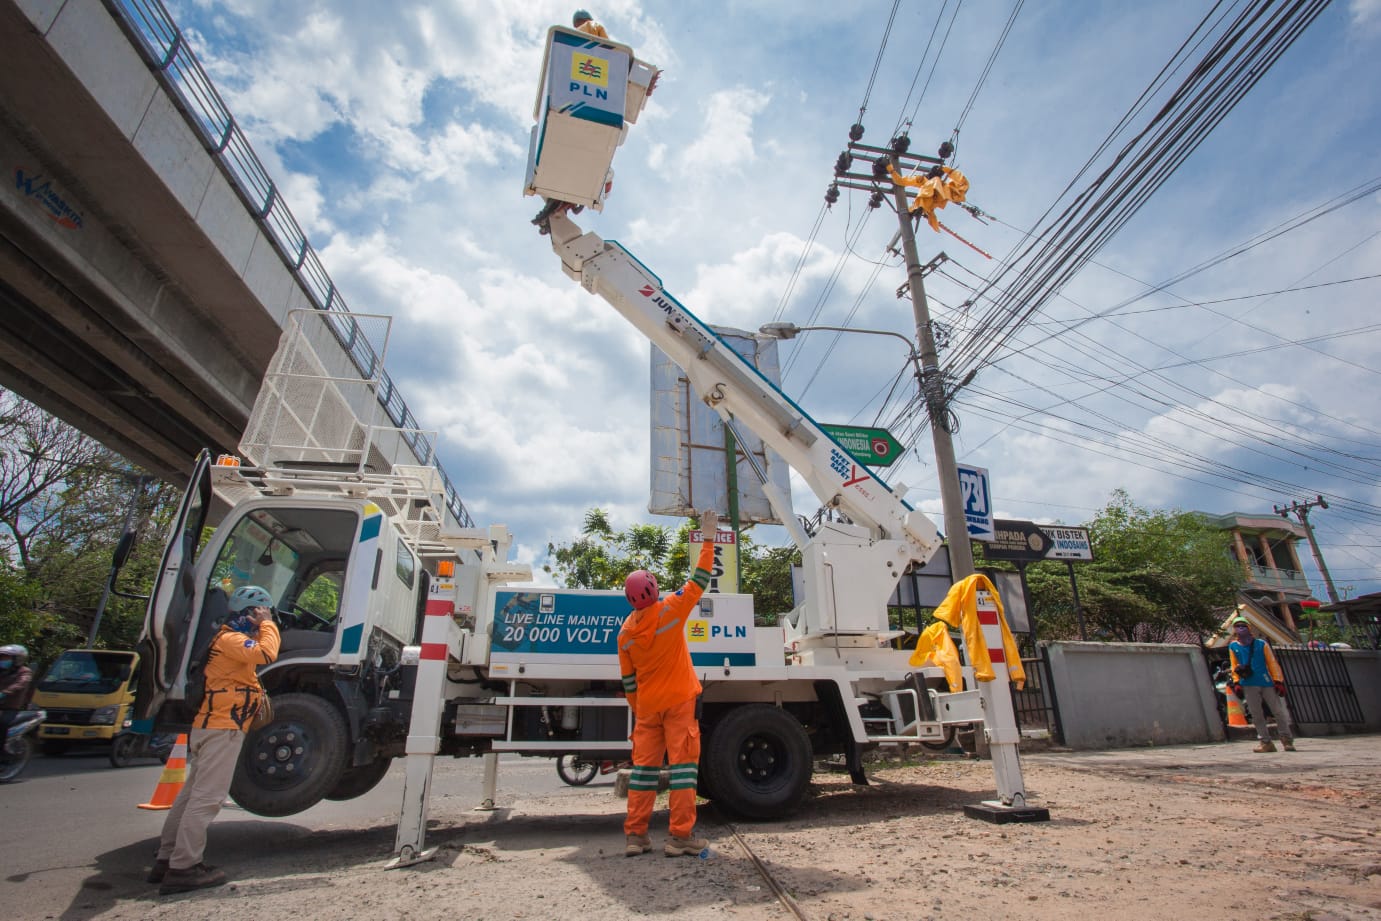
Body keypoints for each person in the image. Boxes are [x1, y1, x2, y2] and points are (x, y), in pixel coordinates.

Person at [150, 585, 280, 894]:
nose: (261, 619)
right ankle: (184, 868)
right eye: (259, 613)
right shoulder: (231, 639)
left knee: (190, 796)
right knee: (207, 799)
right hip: (223, 728)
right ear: (249, 613)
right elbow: (266, 653)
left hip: (214, 725)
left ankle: (166, 859)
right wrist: (269, 624)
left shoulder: (223, 639)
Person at [618, 509, 718, 858]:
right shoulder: (671, 611)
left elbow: (628, 681)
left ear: (630, 599)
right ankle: (679, 838)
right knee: (683, 770)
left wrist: (641, 708)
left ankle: (635, 836)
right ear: (654, 590)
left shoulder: (626, 634)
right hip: (679, 702)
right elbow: (701, 578)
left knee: (643, 773)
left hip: (647, 708)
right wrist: (708, 538)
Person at [1228, 616, 1296, 753]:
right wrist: (1236, 682)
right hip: (1247, 682)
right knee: (1256, 714)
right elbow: (1234, 665)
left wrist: (1278, 680)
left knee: (1277, 711)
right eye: (1237, 626)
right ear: (1234, 629)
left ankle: (1287, 740)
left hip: (1266, 681)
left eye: (1243, 625)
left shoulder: (1261, 644)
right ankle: (1265, 742)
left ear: (1249, 627)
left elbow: (1271, 662)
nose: (1240, 628)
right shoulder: (1233, 646)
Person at [0, 644, 35, 732]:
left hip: (10, 707)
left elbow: (20, 684)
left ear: (17, 659)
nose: (3, 660)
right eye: (2, 658)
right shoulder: (2, 671)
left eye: (6, 658)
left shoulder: (24, 672)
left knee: (3, 723)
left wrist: (4, 692)